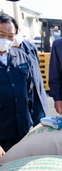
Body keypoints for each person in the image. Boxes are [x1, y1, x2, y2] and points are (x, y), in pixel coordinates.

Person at [0, 12, 33, 152]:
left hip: (23, 130)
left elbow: (30, 92)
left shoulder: (21, 56)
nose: (6, 39)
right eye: (1, 35)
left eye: (10, 36)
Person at [11, 18, 48, 126]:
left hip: (37, 100)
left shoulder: (31, 48)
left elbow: (36, 71)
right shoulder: (5, 54)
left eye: (14, 33)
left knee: (40, 133)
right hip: (19, 104)